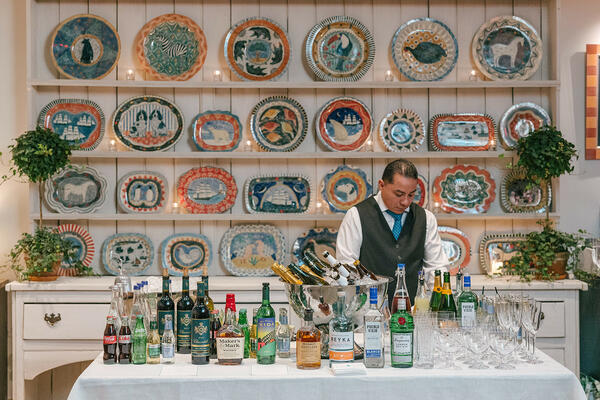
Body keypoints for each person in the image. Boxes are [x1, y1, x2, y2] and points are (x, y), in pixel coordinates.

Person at [336, 159, 449, 303]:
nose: (405, 202)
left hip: (412, 311)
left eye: (411, 195)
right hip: (369, 311)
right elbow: (346, 266)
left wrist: (441, 304)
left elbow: (436, 268)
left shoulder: (426, 218)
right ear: (381, 185)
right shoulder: (356, 215)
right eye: (399, 194)